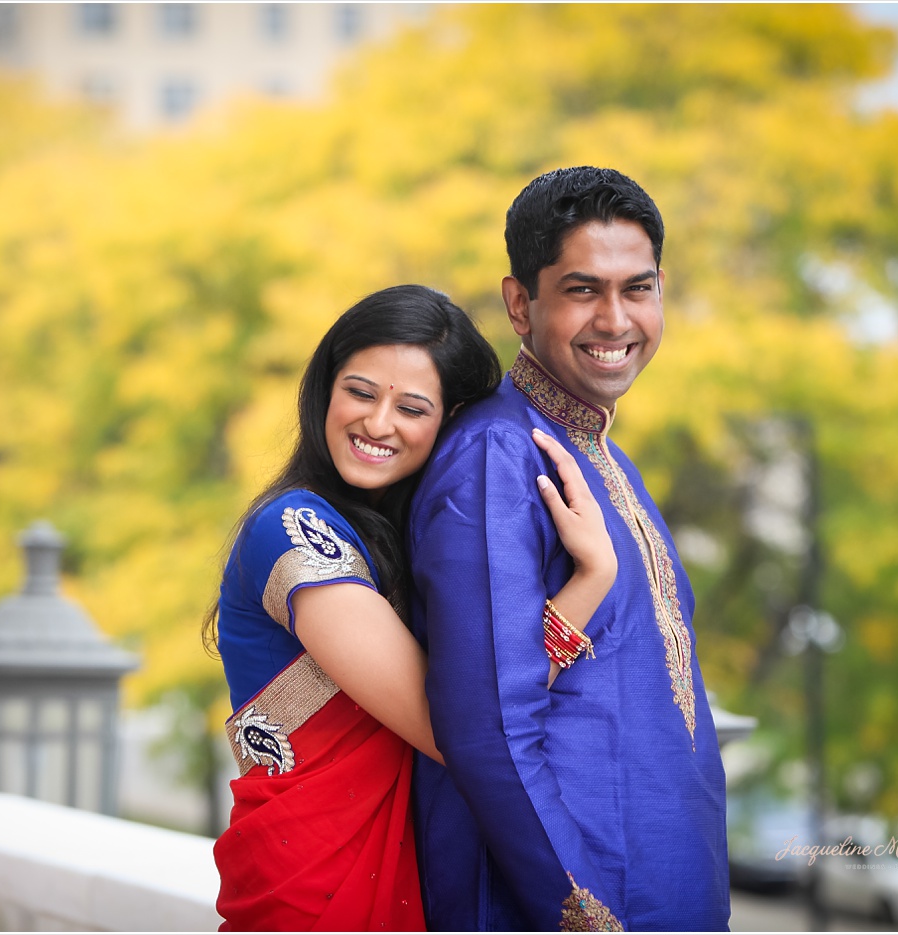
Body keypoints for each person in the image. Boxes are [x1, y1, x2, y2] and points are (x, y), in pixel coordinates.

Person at [207, 284, 618, 931]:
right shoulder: (292, 527)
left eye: (412, 407)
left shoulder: (415, 542)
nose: (377, 423)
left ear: (449, 420)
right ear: (326, 387)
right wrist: (591, 580)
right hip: (312, 888)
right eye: (362, 392)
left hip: (416, 875)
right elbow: (456, 724)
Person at [408, 168, 731, 931]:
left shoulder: (604, 455)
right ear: (521, 303)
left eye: (639, 288)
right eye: (583, 290)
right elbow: (488, 724)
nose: (616, 319)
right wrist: (583, 912)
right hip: (568, 905)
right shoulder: (496, 457)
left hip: (664, 892)